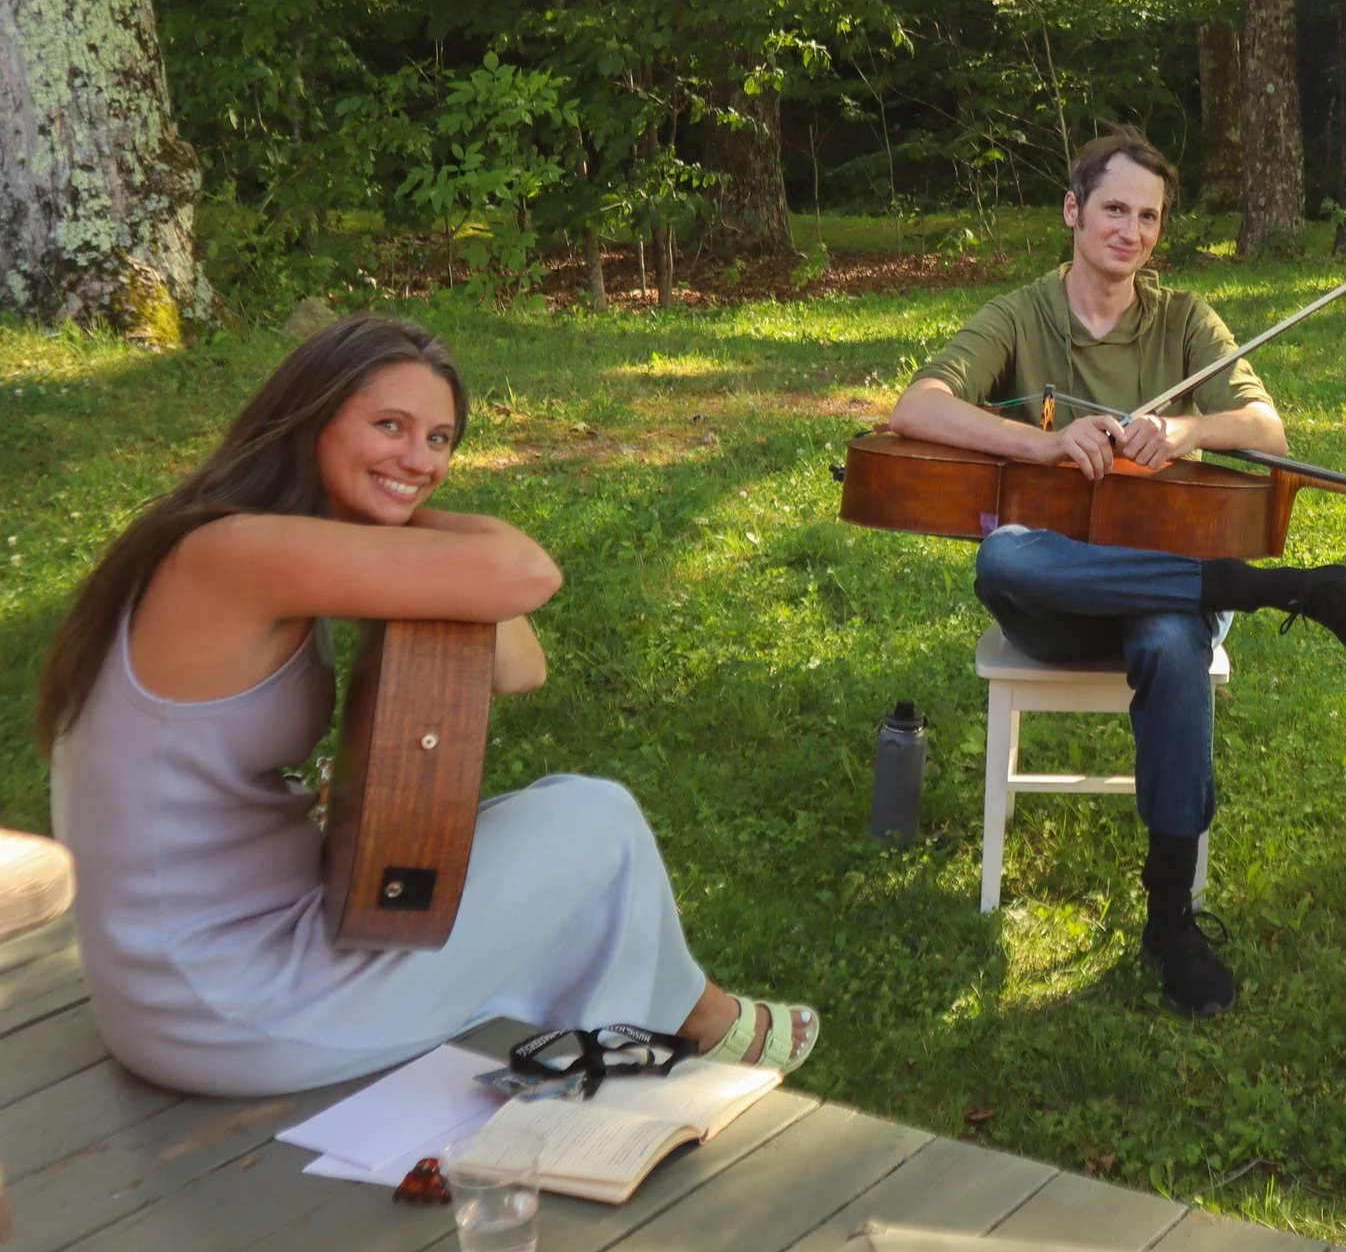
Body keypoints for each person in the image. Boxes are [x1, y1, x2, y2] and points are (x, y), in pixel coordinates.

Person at [38, 314, 817, 1096]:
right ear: (309, 419)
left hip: (190, 983)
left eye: (440, 439)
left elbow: (520, 664)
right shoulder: (232, 554)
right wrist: (416, 521)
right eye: (390, 426)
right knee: (598, 825)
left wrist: (391, 505)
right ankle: (689, 1028)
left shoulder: (238, 537)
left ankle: (673, 1021)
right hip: (228, 1006)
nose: (421, 459)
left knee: (558, 812)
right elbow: (524, 572)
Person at [886, 128, 1346, 1017]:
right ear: (1074, 211)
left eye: (1149, 217)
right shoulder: (1019, 314)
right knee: (1003, 552)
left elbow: (1267, 432)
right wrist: (1044, 441)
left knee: (1166, 642)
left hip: (1163, 585)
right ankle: (1278, 589)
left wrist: (1190, 431)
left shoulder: (1188, 318)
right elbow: (916, 406)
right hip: (1059, 593)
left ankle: (1171, 918)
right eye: (1114, 209)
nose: (1131, 231)